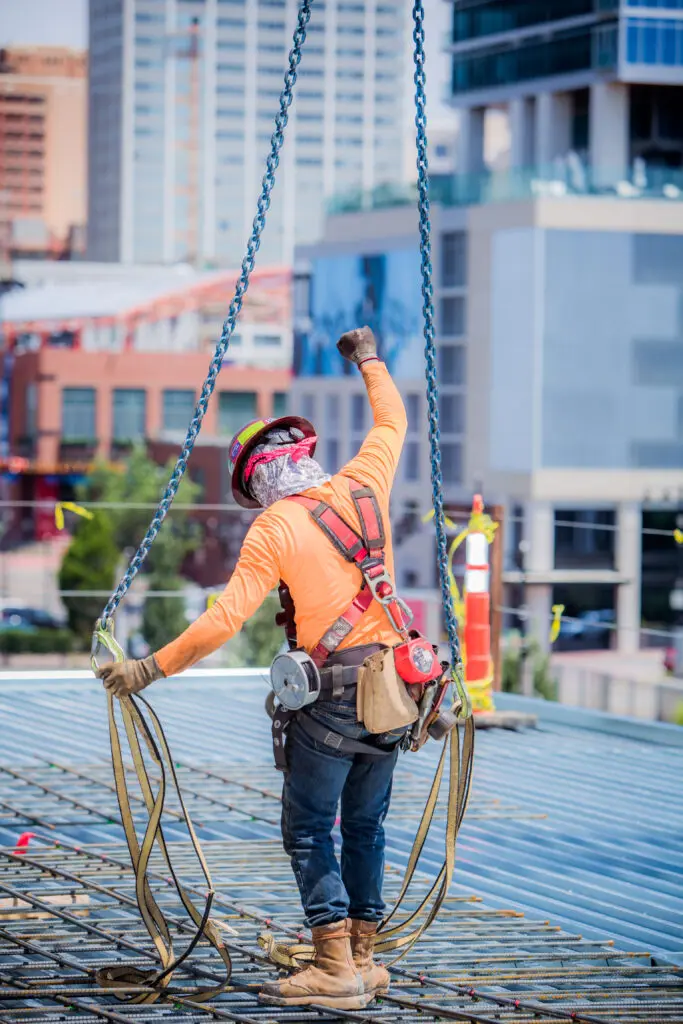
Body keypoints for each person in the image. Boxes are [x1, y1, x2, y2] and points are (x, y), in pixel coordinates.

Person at [97, 326, 408, 1011]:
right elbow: (392, 418)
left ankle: (333, 967)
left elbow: (221, 621)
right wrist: (367, 359)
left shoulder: (274, 528)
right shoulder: (363, 485)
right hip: (396, 685)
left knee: (306, 827)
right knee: (364, 826)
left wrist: (148, 670)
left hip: (330, 698)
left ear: (258, 478)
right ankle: (364, 955)